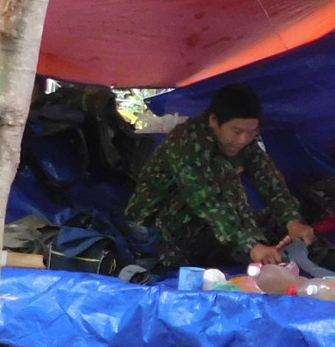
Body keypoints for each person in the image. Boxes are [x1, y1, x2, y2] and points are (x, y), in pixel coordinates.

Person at [127, 82, 314, 269]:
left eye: (251, 132)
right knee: (226, 179)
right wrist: (252, 245)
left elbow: (269, 179)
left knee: (277, 220)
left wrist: (292, 220)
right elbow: (206, 200)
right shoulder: (186, 143)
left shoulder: (244, 143)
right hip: (155, 232)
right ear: (214, 120)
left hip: (204, 226)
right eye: (237, 131)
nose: (243, 140)